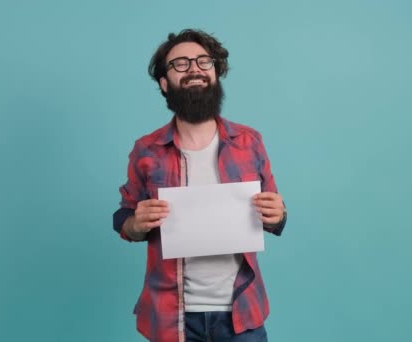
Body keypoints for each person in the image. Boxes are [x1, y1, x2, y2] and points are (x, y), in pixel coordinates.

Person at [113, 29, 287, 342]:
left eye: (203, 61)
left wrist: (278, 215)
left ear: (215, 74)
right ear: (165, 83)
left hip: (241, 313)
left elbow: (275, 212)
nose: (194, 68)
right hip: (172, 318)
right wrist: (136, 223)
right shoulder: (146, 150)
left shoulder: (249, 142)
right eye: (180, 63)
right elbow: (124, 218)